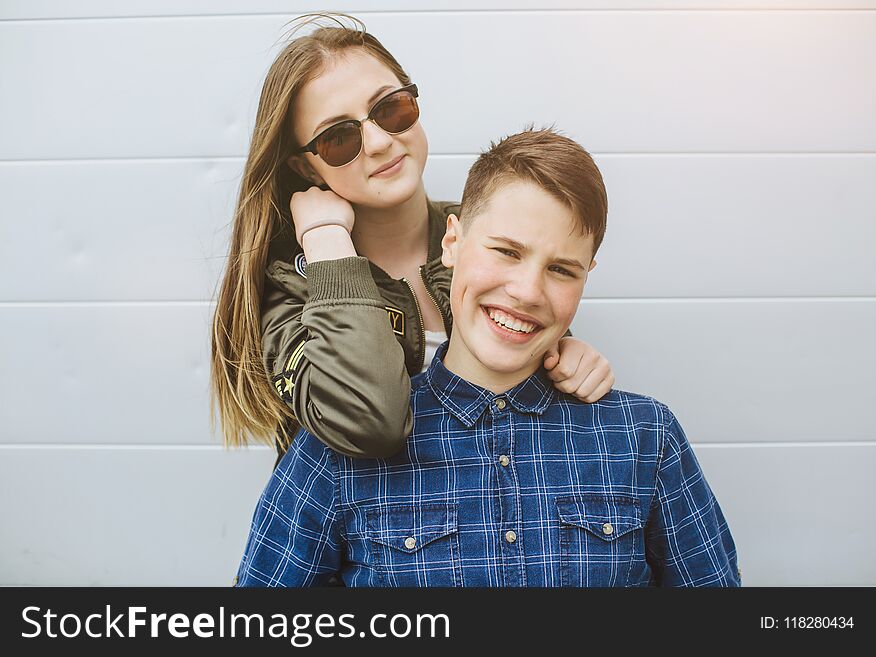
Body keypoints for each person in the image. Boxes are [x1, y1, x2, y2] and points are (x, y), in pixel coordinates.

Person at [235, 128, 741, 587]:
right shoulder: (334, 454)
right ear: (452, 242)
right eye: (506, 251)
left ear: (588, 275)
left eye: (562, 270)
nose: (526, 291)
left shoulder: (643, 436)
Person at [210, 14, 614, 461]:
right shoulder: (289, 292)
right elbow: (370, 421)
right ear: (306, 167)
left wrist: (568, 358)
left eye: (390, 109)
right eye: (338, 138)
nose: (380, 142)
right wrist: (326, 243)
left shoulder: (490, 237)